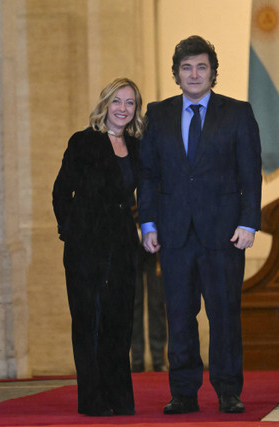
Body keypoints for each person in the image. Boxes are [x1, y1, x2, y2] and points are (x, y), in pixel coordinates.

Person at [138, 35, 262, 414]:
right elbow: (148, 176)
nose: (194, 74)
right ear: (176, 74)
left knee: (224, 313)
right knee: (178, 314)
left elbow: (250, 175)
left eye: (201, 67)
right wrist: (148, 224)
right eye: (186, 67)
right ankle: (184, 392)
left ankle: (228, 390)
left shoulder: (238, 112)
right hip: (174, 234)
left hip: (224, 233)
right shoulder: (157, 115)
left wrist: (249, 223)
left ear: (213, 72)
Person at [52, 77, 144, 417]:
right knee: (88, 321)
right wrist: (71, 231)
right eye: (117, 101)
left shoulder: (137, 146)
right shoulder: (83, 142)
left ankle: (119, 399)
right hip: (85, 247)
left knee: (119, 322)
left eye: (130, 103)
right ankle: (93, 401)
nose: (123, 108)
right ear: (105, 104)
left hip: (122, 245)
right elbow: (61, 192)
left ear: (136, 109)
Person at [131, 246, 167, 373]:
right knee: (133, 305)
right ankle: (136, 360)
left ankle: (158, 359)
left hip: (155, 245)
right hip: (131, 244)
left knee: (157, 303)